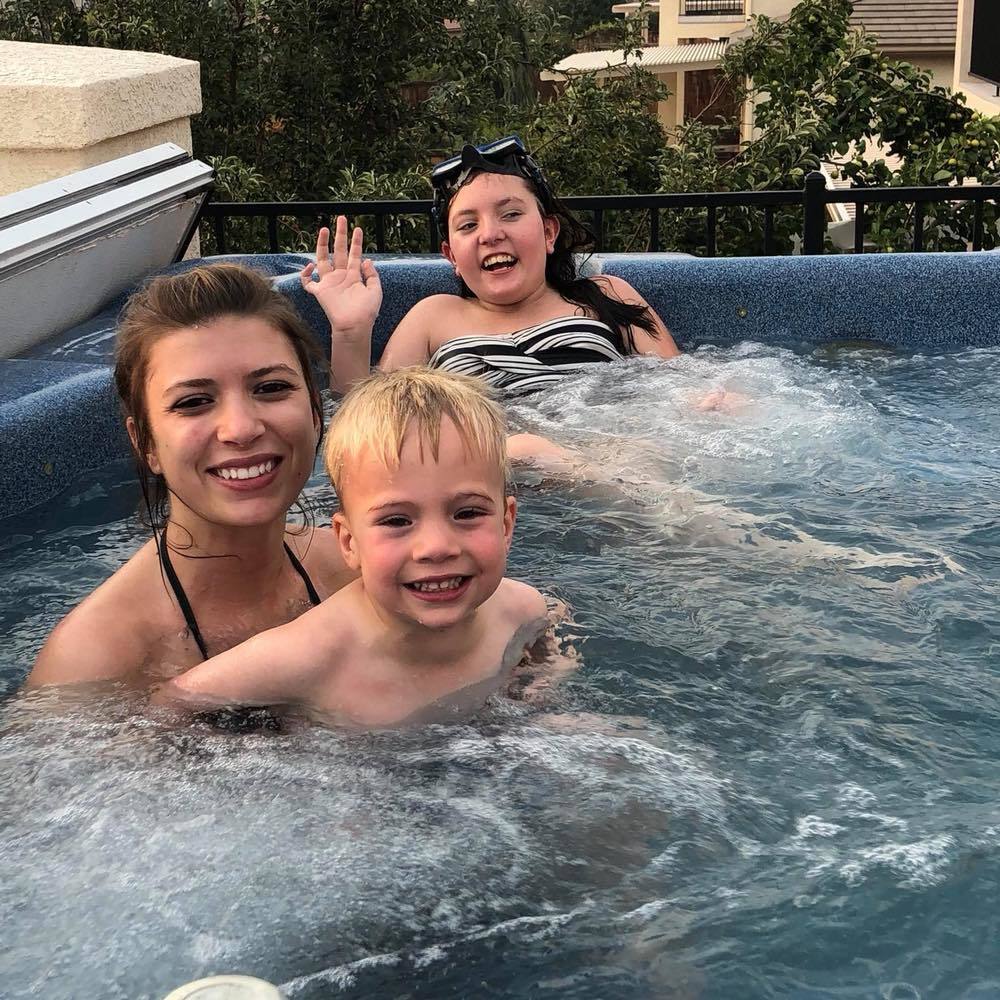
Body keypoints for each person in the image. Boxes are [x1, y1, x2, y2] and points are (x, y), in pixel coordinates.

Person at [156, 368, 551, 728]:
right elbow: (174, 702)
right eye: (397, 521)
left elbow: (543, 656)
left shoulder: (521, 611)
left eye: (467, 513)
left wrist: (537, 700)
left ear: (506, 524)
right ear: (348, 542)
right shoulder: (307, 658)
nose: (436, 547)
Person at [26, 264, 357, 689]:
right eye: (193, 402)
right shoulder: (94, 661)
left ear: (314, 409)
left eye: (271, 388)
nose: (241, 429)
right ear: (146, 443)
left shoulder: (357, 570)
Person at [300, 136, 681, 397]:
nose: (490, 234)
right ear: (451, 256)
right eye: (468, 225)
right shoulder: (432, 317)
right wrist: (350, 332)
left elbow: (680, 390)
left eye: (511, 214)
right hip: (481, 480)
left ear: (549, 232)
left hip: (611, 462)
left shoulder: (606, 294)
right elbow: (367, 429)